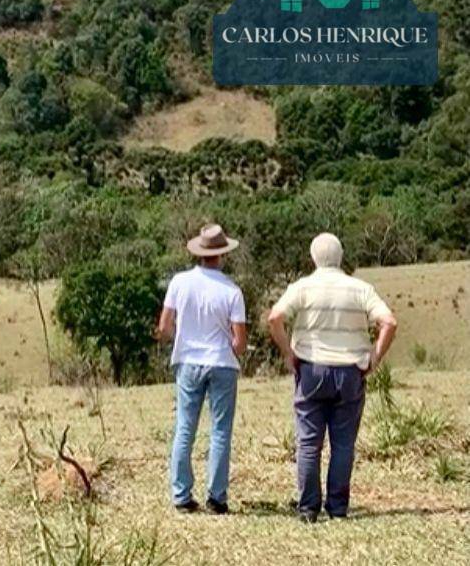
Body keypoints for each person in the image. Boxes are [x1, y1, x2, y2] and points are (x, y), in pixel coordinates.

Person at [267, 233, 398, 523]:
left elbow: (274, 318)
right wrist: (374, 357)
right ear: (341, 256)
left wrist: (289, 353)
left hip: (311, 369)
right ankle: (337, 507)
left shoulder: (302, 287)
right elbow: (389, 321)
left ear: (313, 257)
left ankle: (308, 507)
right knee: (343, 445)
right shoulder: (360, 288)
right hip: (350, 371)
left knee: (309, 443)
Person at [157, 224, 248, 514]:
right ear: (222, 255)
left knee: (185, 426)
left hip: (188, 361)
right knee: (220, 430)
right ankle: (217, 497)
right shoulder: (232, 291)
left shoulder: (179, 282)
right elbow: (240, 342)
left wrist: (181, 340)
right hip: (221, 363)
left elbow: (165, 326)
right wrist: (231, 348)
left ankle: (181, 494)